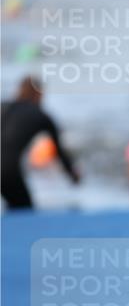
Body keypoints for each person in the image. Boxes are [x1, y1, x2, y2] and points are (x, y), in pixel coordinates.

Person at [1, 76, 80, 209]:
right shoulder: (41, 115)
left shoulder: (3, 107)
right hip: (7, 169)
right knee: (24, 210)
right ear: (39, 94)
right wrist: (72, 174)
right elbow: (59, 151)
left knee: (14, 205)